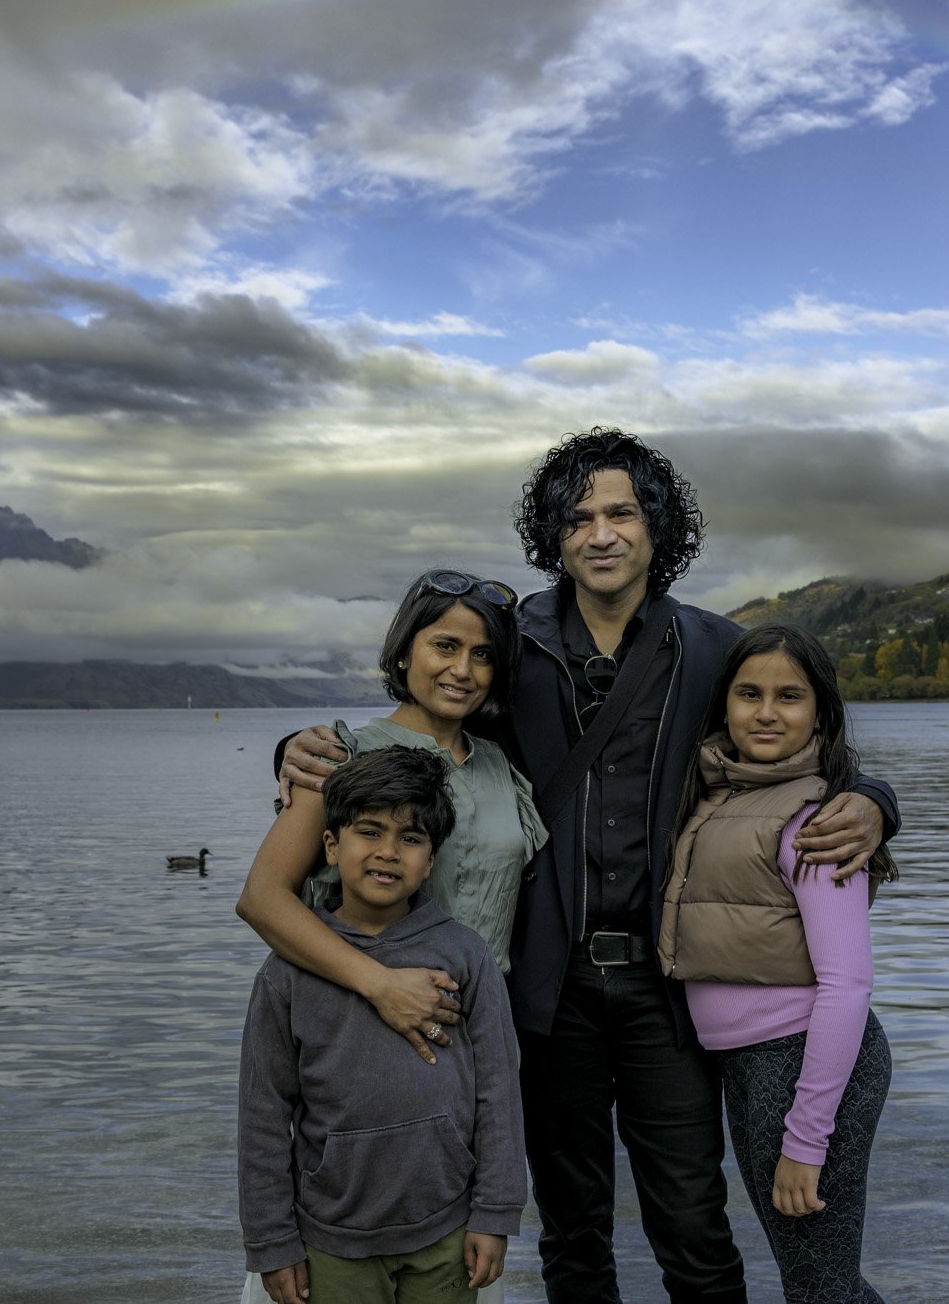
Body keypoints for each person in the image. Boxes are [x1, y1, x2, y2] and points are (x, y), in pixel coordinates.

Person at [279, 429, 899, 1304]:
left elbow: (804, 737)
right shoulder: (508, 641)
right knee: (571, 1230)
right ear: (554, 535)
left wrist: (874, 799)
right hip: (546, 988)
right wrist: (296, 746)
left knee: (692, 1221)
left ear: (657, 527)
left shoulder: (717, 647)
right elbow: (424, 721)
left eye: (621, 512)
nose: (600, 533)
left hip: (666, 988)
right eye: (577, 517)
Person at [658, 625, 896, 1304]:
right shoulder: (719, 796)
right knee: (822, 1279)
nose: (766, 712)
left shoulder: (817, 823)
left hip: (803, 1067)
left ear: (820, 711)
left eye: (789, 696)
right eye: (749, 694)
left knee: (817, 1285)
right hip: (756, 1066)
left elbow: (848, 984)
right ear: (724, 705)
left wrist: (806, 1137)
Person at [238, 748, 526, 1304]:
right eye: (369, 832)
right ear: (330, 845)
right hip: (331, 1238)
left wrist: (496, 1210)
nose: (388, 853)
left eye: (411, 839)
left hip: (447, 1228)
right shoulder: (286, 976)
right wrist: (271, 1242)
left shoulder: (465, 956)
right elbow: (263, 1116)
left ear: (431, 859)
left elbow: (498, 1091)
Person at [238, 570, 548, 1063]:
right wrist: (379, 985)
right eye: (444, 646)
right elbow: (262, 899)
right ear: (405, 651)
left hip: (483, 1027)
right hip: (368, 1016)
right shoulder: (341, 758)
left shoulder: (503, 767)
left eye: (482, 655)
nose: (463, 670)